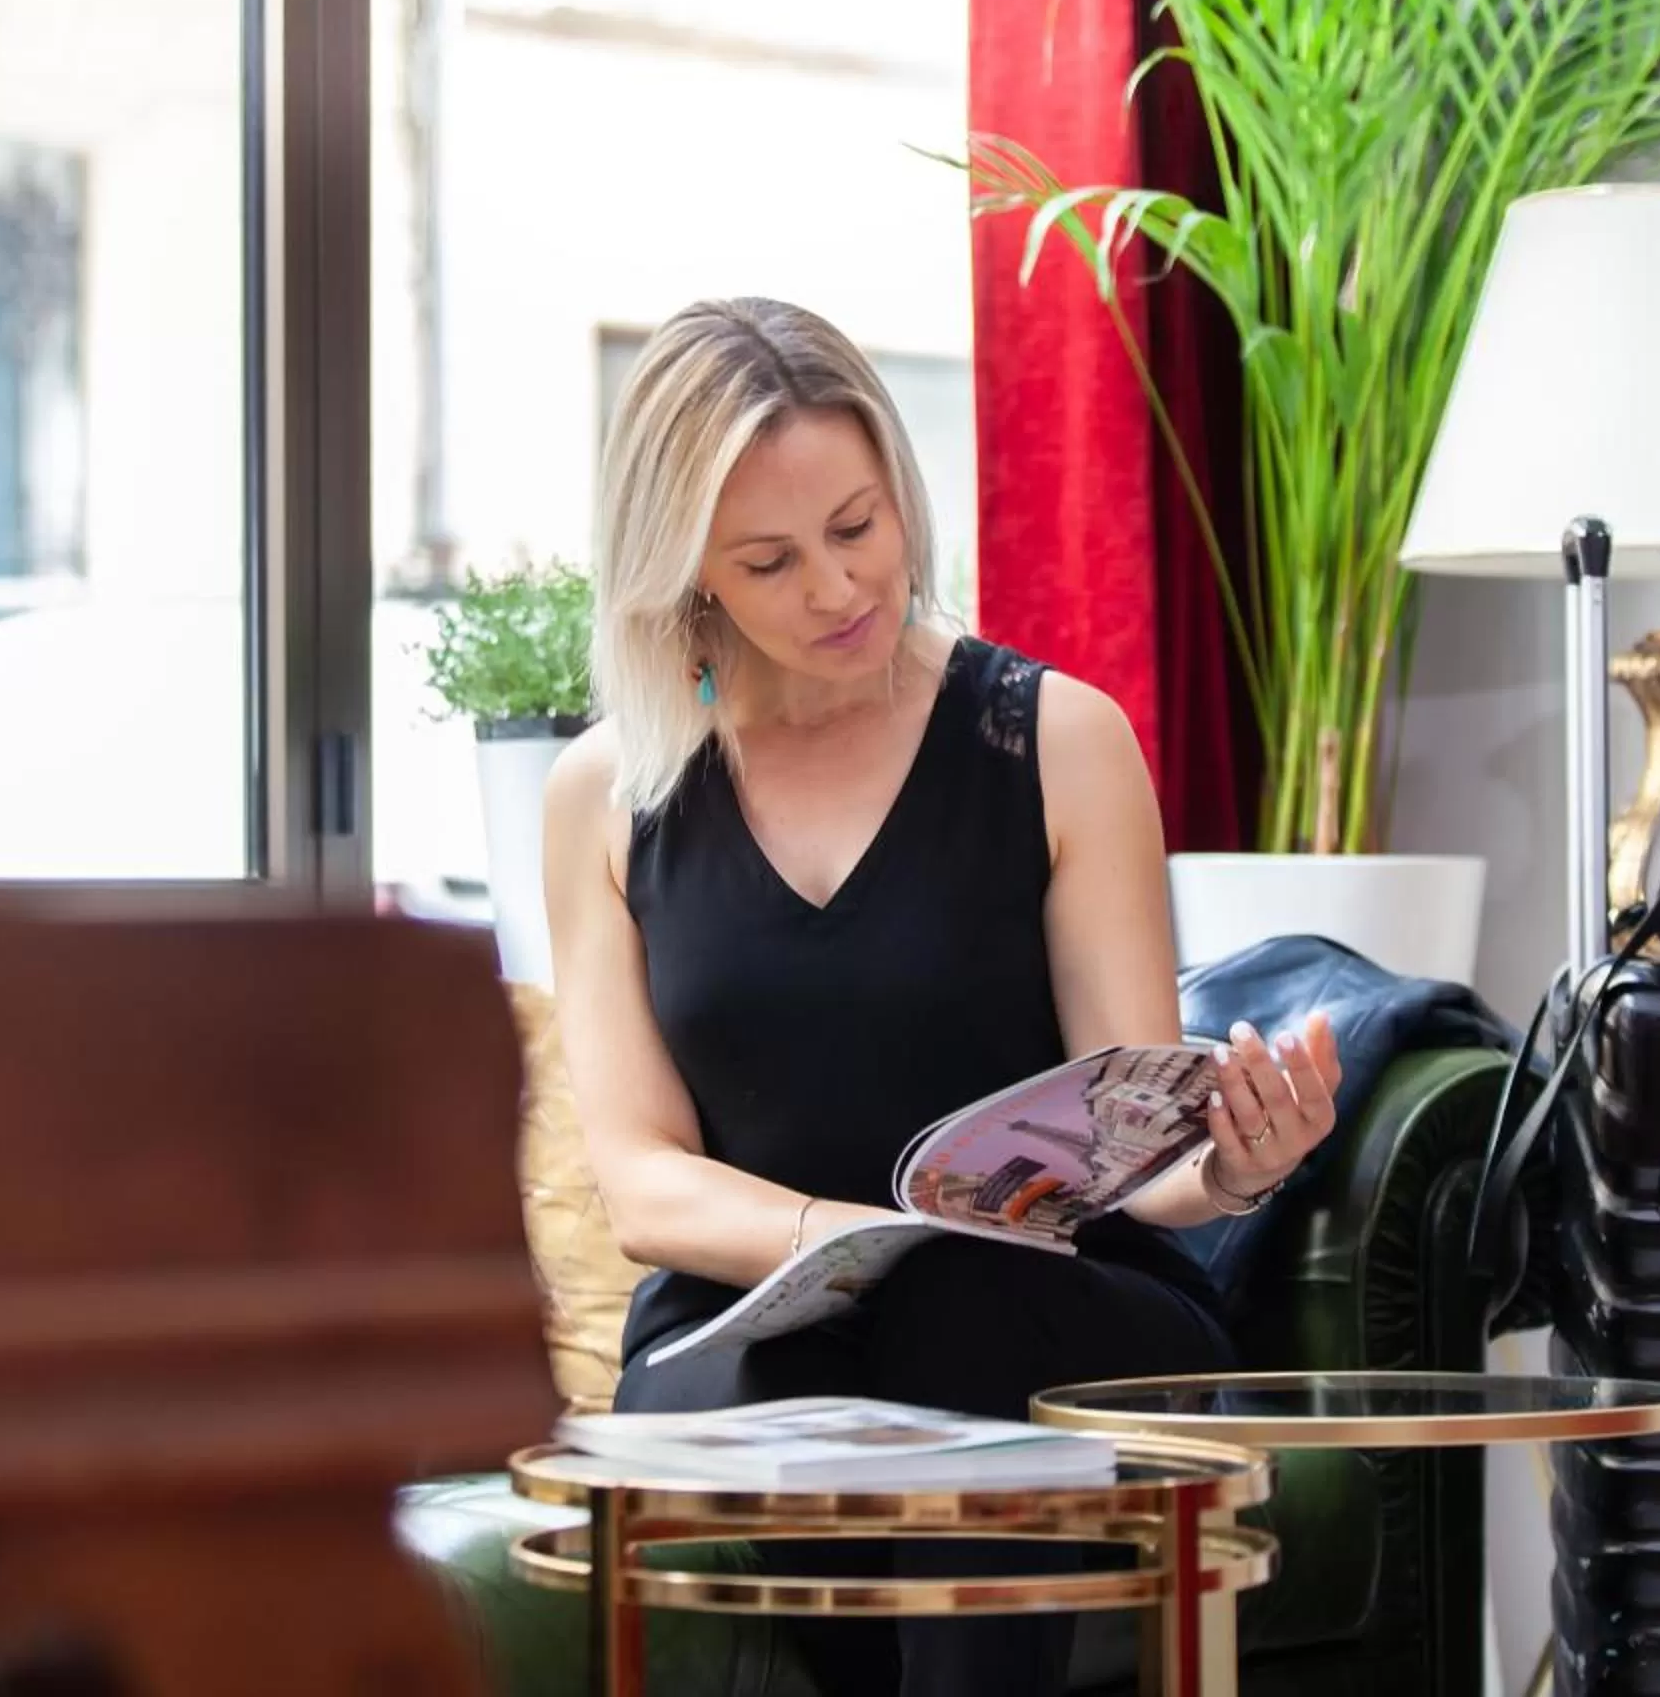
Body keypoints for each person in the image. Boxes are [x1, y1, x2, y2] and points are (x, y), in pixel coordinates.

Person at [541, 297, 1343, 1697]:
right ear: (687, 574)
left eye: (860, 528)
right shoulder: (612, 794)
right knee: (822, 1372)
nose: (840, 589)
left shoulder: (1053, 742)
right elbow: (643, 1184)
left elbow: (1131, 1143)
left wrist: (1226, 1169)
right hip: (749, 1320)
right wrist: (858, 1243)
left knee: (946, 1328)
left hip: (1048, 1308)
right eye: (771, 560)